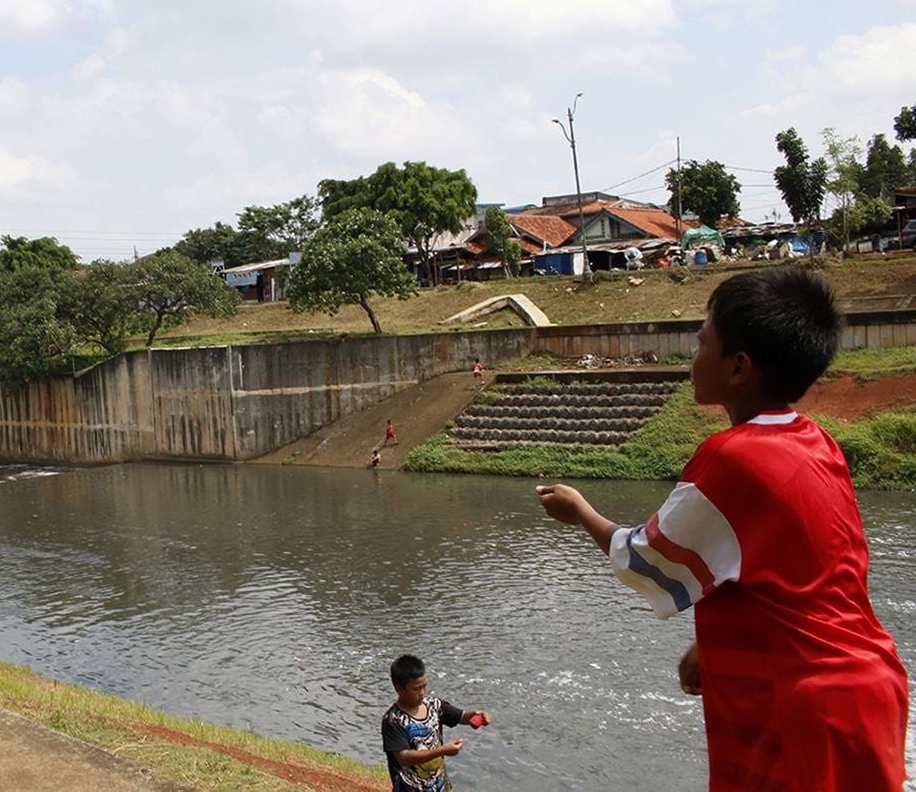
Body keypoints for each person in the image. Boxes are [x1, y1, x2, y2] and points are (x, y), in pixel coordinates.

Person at [536, 266, 908, 791]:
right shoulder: (815, 441)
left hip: (804, 707)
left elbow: (644, 562)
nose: (693, 357)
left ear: (738, 368)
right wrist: (710, 646)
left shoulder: (734, 459)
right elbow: (802, 576)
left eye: (701, 343)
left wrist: (581, 512)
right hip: (865, 686)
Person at [382, 654, 490, 792]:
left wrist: (478, 715)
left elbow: (461, 716)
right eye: (416, 689)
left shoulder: (434, 705)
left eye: (424, 686)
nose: (422, 693)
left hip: (438, 784)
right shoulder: (393, 720)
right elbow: (404, 758)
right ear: (399, 689)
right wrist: (442, 751)